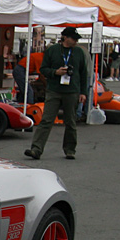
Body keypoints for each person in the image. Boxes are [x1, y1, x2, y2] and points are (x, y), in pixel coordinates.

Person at [25, 27, 88, 161]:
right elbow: (43, 69)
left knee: (70, 121)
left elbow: (83, 73)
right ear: (65, 37)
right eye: (73, 38)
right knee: (46, 120)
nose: (76, 41)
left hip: (72, 91)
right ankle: (36, 149)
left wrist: (83, 92)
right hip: (54, 90)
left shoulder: (78, 52)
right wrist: (55, 72)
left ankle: (70, 149)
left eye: (77, 39)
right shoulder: (53, 50)